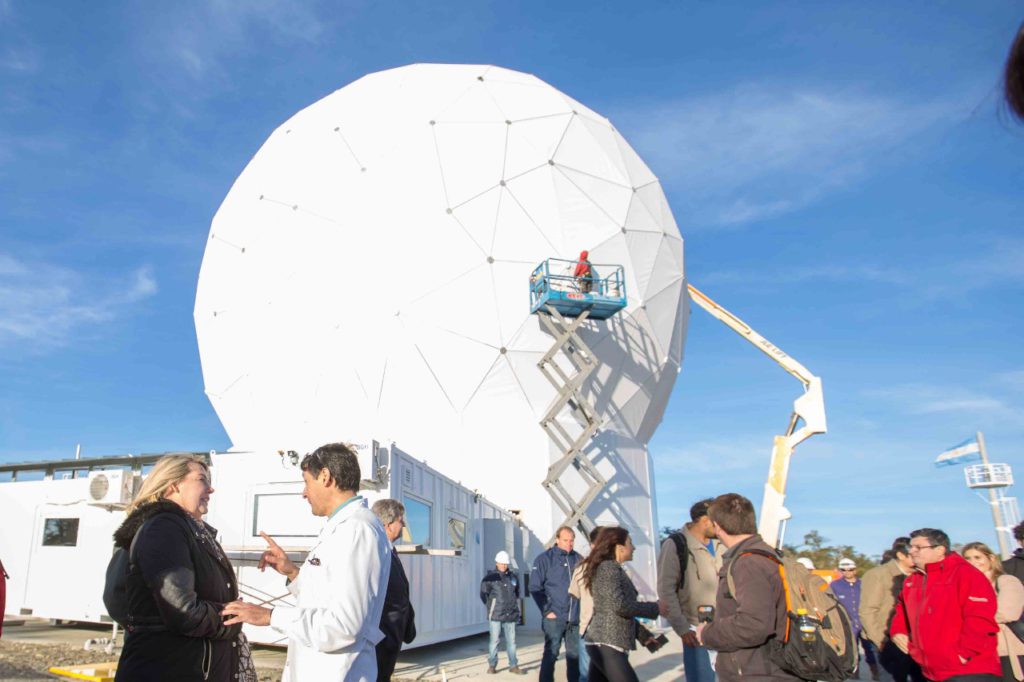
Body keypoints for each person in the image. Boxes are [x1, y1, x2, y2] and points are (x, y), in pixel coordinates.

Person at [222, 443, 392, 681]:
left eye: (306, 482)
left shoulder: (357, 530)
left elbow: (345, 626)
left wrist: (269, 616)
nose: (304, 492)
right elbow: (325, 596)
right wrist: (291, 571)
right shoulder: (342, 527)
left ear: (325, 477)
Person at [107, 454, 255, 682]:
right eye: (202, 479)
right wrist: (231, 617)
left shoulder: (190, 530)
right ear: (173, 484)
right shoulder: (164, 527)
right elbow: (183, 611)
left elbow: (117, 600)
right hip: (171, 669)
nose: (211, 488)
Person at [695, 493, 800, 682]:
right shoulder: (769, 556)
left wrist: (708, 633)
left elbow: (753, 625)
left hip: (759, 673)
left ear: (717, 526)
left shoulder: (748, 563)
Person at [889, 528, 1001, 682]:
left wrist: (963, 654)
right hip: (931, 670)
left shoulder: (965, 574)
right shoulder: (912, 580)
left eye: (918, 547)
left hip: (969, 670)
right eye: (911, 547)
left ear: (940, 550)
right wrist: (898, 631)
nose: (912, 551)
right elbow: (902, 611)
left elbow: (980, 619)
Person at [580, 526, 661, 682]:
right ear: (619, 547)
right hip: (606, 643)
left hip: (607, 642)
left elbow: (615, 609)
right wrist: (655, 608)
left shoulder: (612, 568)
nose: (634, 547)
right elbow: (619, 605)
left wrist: (643, 635)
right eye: (630, 543)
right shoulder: (608, 568)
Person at [657, 498, 723, 682]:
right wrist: (682, 628)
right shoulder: (676, 544)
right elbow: (666, 590)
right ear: (704, 521)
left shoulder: (721, 543)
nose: (720, 525)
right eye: (716, 521)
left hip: (724, 628)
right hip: (695, 629)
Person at [860, 537, 925, 682]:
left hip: (916, 642)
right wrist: (880, 642)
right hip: (887, 640)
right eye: (913, 553)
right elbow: (868, 611)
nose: (917, 556)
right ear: (901, 555)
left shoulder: (920, 575)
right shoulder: (878, 575)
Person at [963, 541, 1024, 682]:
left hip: (1009, 651)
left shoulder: (1006, 581)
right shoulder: (967, 588)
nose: (973, 562)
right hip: (982, 654)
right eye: (968, 558)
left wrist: (973, 623)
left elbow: (1007, 613)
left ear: (991, 558)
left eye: (978, 557)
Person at [371, 498, 416, 682]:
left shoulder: (390, 550)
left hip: (390, 642)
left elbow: (401, 595)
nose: (403, 523)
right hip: (380, 644)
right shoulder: (375, 551)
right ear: (388, 524)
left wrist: (407, 628)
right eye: (400, 519)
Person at [531, 526, 583, 682]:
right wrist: (547, 611)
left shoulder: (579, 559)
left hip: (574, 619)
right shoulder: (544, 559)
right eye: (565, 540)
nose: (569, 543)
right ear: (557, 540)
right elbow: (534, 587)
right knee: (551, 655)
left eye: (572, 540)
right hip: (554, 618)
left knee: (574, 657)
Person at [832, 557, 880, 680]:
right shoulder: (835, 585)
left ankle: (876, 673)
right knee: (852, 651)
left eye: (850, 570)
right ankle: (854, 674)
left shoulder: (864, 584)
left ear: (855, 570)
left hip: (864, 623)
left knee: (870, 649)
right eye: (844, 570)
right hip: (848, 624)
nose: (847, 572)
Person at [570, 526, 605, 682]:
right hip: (612, 631)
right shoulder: (620, 569)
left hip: (588, 627)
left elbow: (574, 593)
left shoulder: (581, 568)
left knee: (586, 674)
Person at [481, 550, 524, 674]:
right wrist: (491, 606)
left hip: (510, 614)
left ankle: (513, 665)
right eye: (501, 563)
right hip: (496, 614)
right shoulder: (490, 578)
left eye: (506, 563)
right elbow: (483, 594)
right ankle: (492, 665)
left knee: (512, 642)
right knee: (494, 641)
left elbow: (517, 593)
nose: (504, 566)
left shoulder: (513, 578)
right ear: (497, 563)